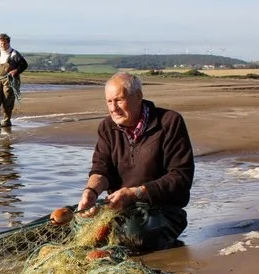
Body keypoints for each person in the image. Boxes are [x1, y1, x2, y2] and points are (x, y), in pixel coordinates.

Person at [74, 71, 195, 252]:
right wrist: (91, 191)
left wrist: (133, 193)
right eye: (109, 101)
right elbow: (101, 168)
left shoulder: (169, 122)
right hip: (118, 208)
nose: (113, 108)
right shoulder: (107, 127)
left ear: (138, 97)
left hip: (164, 210)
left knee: (132, 236)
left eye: (119, 100)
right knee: (71, 225)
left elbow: (180, 177)